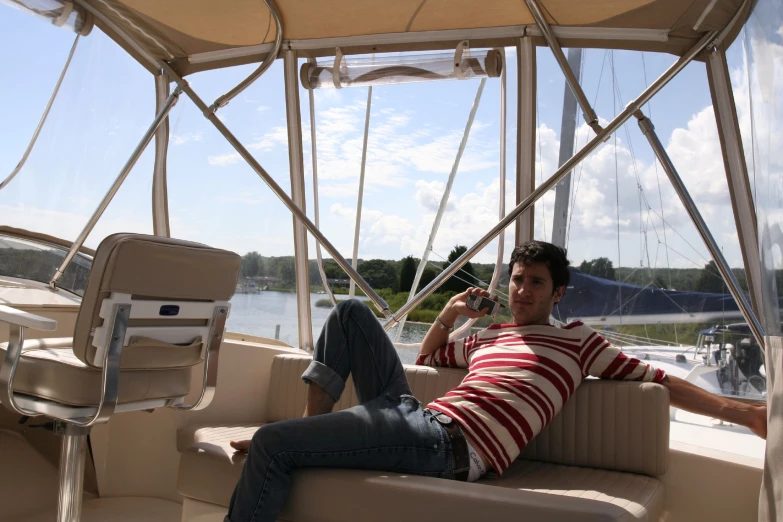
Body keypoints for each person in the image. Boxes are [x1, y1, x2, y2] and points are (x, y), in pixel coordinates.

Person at [224, 241, 767, 522]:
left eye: (536, 282)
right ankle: (306, 433)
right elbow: (433, 356)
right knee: (347, 312)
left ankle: (291, 443)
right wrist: (456, 313)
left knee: (271, 444)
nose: (523, 290)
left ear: (558, 294)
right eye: (517, 279)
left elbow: (662, 381)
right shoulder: (489, 338)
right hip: (415, 415)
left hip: (449, 445)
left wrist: (745, 413)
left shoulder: (579, 343)